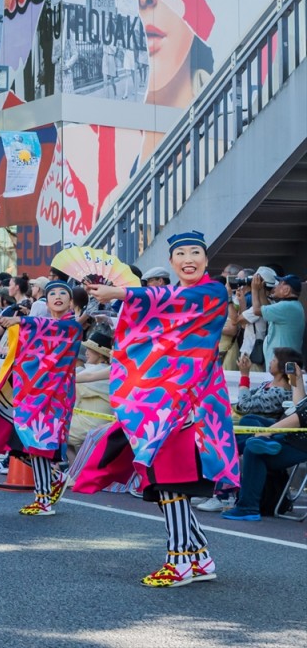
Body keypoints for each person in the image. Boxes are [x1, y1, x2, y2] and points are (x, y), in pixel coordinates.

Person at [78, 231, 237, 588]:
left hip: (190, 402)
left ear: (206, 260)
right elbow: (147, 327)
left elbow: (170, 296)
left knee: (172, 480)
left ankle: (178, 561)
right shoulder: (167, 301)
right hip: (158, 403)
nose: (189, 258)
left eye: (195, 251)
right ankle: (199, 556)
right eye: (180, 253)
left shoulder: (211, 292)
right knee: (162, 481)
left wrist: (119, 292)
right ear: (172, 261)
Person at [0, 280, 83, 515]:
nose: (57, 296)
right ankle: (56, 479)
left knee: (38, 445)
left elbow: (49, 329)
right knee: (24, 445)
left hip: (54, 396)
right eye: (52, 294)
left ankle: (44, 500)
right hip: (32, 394)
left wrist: (19, 320)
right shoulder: (42, 324)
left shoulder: (72, 327)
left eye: (63, 293)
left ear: (71, 302)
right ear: (45, 302)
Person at [221, 361, 306, 522]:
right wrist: (297, 379)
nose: (272, 362)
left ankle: (247, 507)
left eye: (275, 360)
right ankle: (261, 442)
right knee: (249, 423)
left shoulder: (277, 391)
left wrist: (266, 432)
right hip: (292, 433)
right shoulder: (269, 385)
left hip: (299, 441)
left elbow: (300, 418)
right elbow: (299, 407)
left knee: (251, 449)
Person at [251, 272, 304, 354]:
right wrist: (261, 291)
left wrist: (254, 289)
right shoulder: (292, 305)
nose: (275, 287)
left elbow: (257, 310)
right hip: (282, 360)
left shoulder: (287, 306)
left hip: (282, 362)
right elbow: (266, 309)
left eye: (279, 284)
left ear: (286, 290)